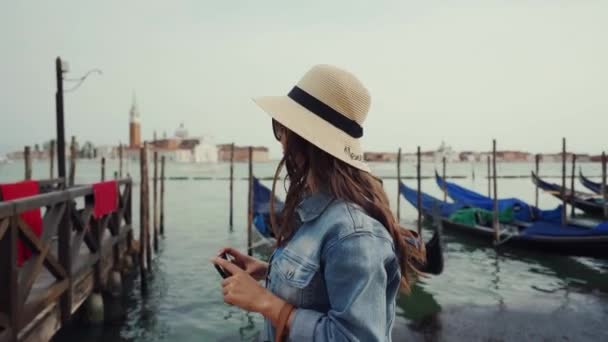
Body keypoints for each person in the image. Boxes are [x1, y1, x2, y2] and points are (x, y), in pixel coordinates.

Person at [212, 64, 424, 341]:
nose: (280, 139)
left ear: (302, 138)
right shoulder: (315, 211)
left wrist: (264, 301)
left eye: (281, 128)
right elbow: (320, 284)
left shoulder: (354, 234)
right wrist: (268, 271)